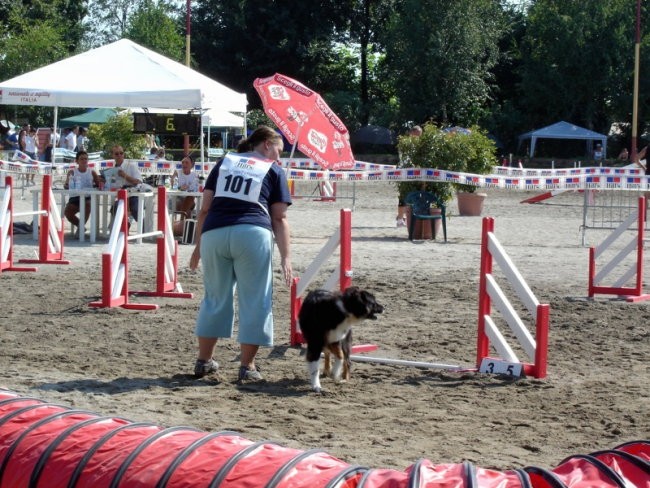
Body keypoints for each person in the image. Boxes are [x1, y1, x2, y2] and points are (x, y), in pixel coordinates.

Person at [189, 126, 293, 383]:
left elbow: (204, 209)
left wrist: (197, 247)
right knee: (255, 299)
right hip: (252, 233)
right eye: (278, 150)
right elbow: (279, 217)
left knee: (214, 298)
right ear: (267, 145)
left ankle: (203, 361)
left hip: (214, 233)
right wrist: (286, 257)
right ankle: (247, 366)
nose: (279, 157)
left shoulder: (224, 162)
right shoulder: (274, 170)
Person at [64, 151, 100, 236]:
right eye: (82, 159)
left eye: (86, 159)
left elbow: (99, 184)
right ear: (77, 161)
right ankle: (81, 227)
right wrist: (67, 184)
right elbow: (66, 185)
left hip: (87, 197)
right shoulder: (72, 172)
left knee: (88, 204)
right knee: (67, 212)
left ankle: (80, 229)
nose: (84, 161)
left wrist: (100, 181)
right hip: (75, 197)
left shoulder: (92, 172)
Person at [108, 145, 143, 225]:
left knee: (136, 210)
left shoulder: (131, 165)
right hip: (120, 195)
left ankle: (144, 231)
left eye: (121, 153)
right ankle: (124, 230)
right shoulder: (113, 169)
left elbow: (139, 181)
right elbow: (112, 185)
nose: (119, 155)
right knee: (115, 208)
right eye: (116, 154)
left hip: (133, 194)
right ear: (112, 155)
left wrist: (125, 176)